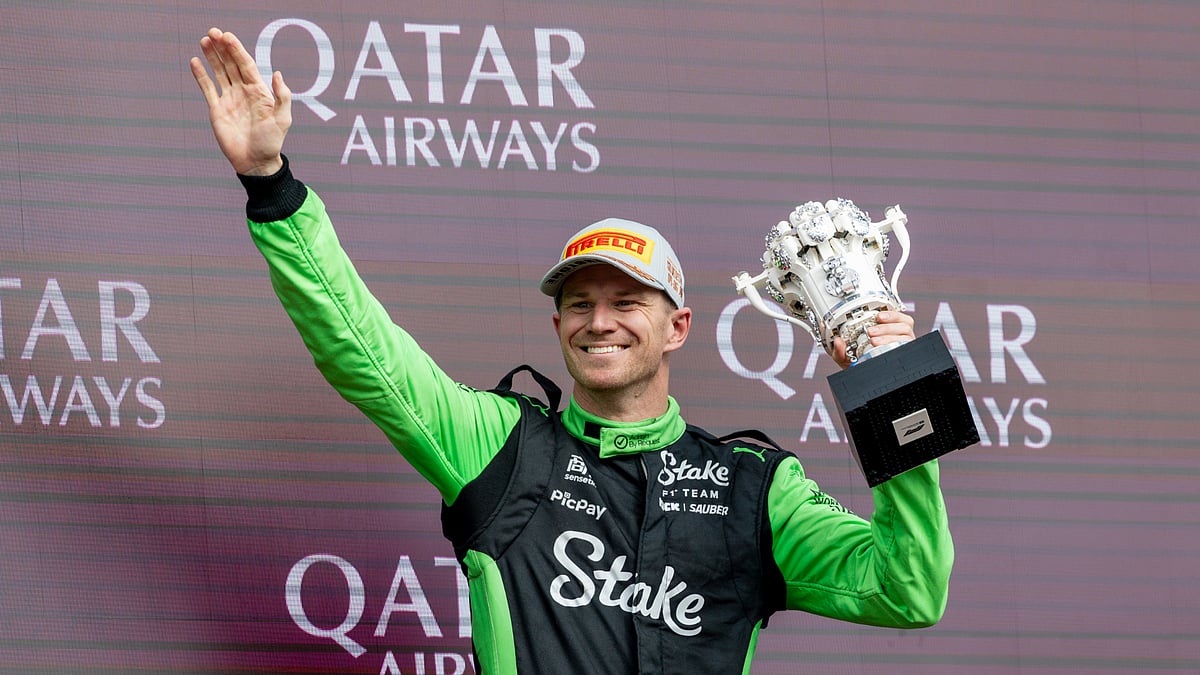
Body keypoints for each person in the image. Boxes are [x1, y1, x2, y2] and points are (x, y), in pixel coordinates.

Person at [191, 27, 952, 675]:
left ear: (678, 326)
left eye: (627, 301)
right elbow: (364, 350)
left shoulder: (756, 487)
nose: (600, 321)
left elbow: (908, 590)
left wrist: (896, 394)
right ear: (557, 329)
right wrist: (271, 184)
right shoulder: (501, 445)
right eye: (579, 304)